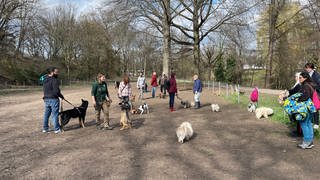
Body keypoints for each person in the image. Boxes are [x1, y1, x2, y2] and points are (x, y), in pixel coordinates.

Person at [296, 72, 316, 149]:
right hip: (310, 108)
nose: (299, 79)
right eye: (299, 77)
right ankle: (310, 141)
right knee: (308, 124)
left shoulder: (306, 86)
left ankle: (306, 142)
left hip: (305, 108)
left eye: (300, 77)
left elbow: (305, 97)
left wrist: (297, 100)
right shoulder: (310, 85)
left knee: (304, 124)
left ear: (305, 78)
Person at [42, 67, 64, 134]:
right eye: (56, 72)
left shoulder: (45, 78)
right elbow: (56, 91)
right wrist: (61, 96)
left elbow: (41, 78)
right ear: (52, 72)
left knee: (46, 114)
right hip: (53, 99)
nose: (57, 73)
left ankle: (45, 128)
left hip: (46, 99)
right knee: (55, 114)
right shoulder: (54, 80)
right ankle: (57, 129)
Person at [304, 63, 320, 129]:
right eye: (306, 68)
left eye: (309, 68)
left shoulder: (317, 75)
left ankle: (316, 123)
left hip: (316, 93)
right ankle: (310, 121)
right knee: (309, 107)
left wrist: (311, 86)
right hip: (308, 93)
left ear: (312, 68)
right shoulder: (306, 74)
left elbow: (318, 85)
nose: (307, 69)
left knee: (315, 107)